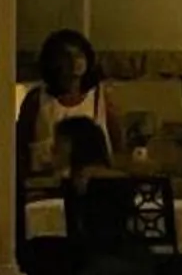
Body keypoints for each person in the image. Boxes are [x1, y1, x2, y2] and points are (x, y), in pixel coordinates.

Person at [16, 31, 119, 188]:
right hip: (44, 189)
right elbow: (20, 149)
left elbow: (117, 146)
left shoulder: (101, 97)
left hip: (91, 192)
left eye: (79, 55)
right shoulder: (37, 100)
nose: (74, 62)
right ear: (53, 61)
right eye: (66, 56)